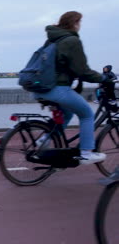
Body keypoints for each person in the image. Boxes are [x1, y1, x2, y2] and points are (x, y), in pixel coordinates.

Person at [33, 11, 108, 165]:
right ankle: (86, 152)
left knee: (66, 113)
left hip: (39, 88)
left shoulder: (52, 40)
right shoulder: (72, 40)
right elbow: (82, 70)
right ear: (75, 23)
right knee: (87, 114)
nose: (80, 26)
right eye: (79, 22)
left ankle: (44, 139)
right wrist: (102, 78)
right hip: (57, 89)